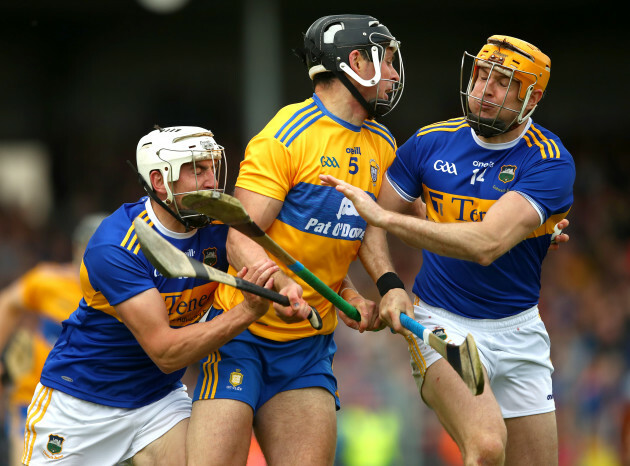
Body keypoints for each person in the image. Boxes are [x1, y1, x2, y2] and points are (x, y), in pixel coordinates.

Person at [321, 35, 575, 465]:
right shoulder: (429, 143)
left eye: (502, 82)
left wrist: (389, 219)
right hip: (441, 324)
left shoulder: (549, 161)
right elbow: (367, 223)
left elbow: (486, 245)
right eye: (480, 74)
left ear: (531, 98)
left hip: (520, 332)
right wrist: (387, 284)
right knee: (488, 446)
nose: (484, 88)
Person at [186, 14, 405, 465]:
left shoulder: (382, 144)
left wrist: (362, 293)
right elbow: (239, 239)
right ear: (356, 60)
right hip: (241, 335)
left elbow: (358, 229)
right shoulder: (289, 134)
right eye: (387, 60)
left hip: (307, 350)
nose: (395, 74)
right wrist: (281, 285)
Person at [20, 126, 283, 465]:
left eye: (212, 168)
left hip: (158, 402)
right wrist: (247, 312)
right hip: (81, 402)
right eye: (197, 170)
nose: (211, 181)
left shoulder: (223, 229)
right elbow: (166, 352)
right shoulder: (116, 244)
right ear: (160, 182)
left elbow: (278, 259)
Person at [0, 213, 107, 465]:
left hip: (84, 402)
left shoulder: (123, 293)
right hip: (33, 394)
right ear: (77, 248)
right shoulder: (47, 280)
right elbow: (7, 304)